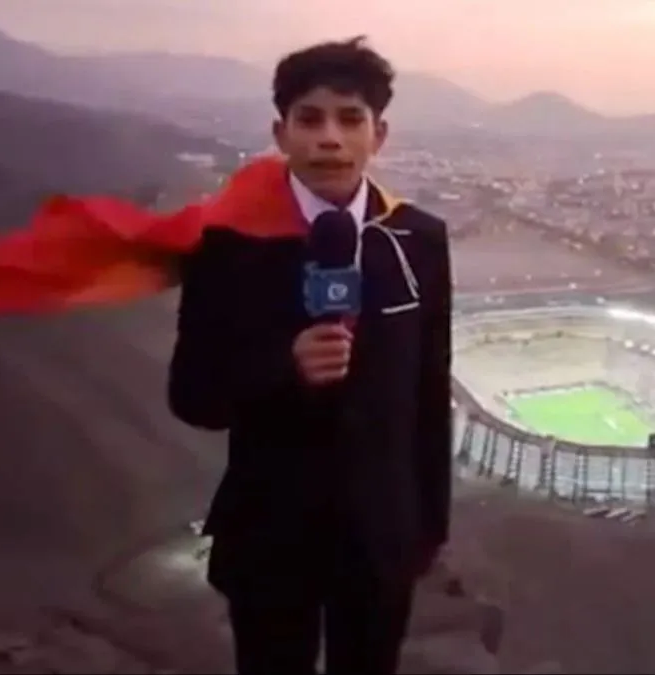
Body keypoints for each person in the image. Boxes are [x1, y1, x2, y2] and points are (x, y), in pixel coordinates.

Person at [167, 37, 452, 674]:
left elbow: (430, 394)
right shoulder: (228, 246)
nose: (330, 138)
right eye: (310, 119)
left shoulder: (418, 239)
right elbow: (192, 395)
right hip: (269, 533)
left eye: (350, 120)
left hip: (382, 537)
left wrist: (428, 525)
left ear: (379, 135)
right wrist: (282, 365)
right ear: (281, 131)